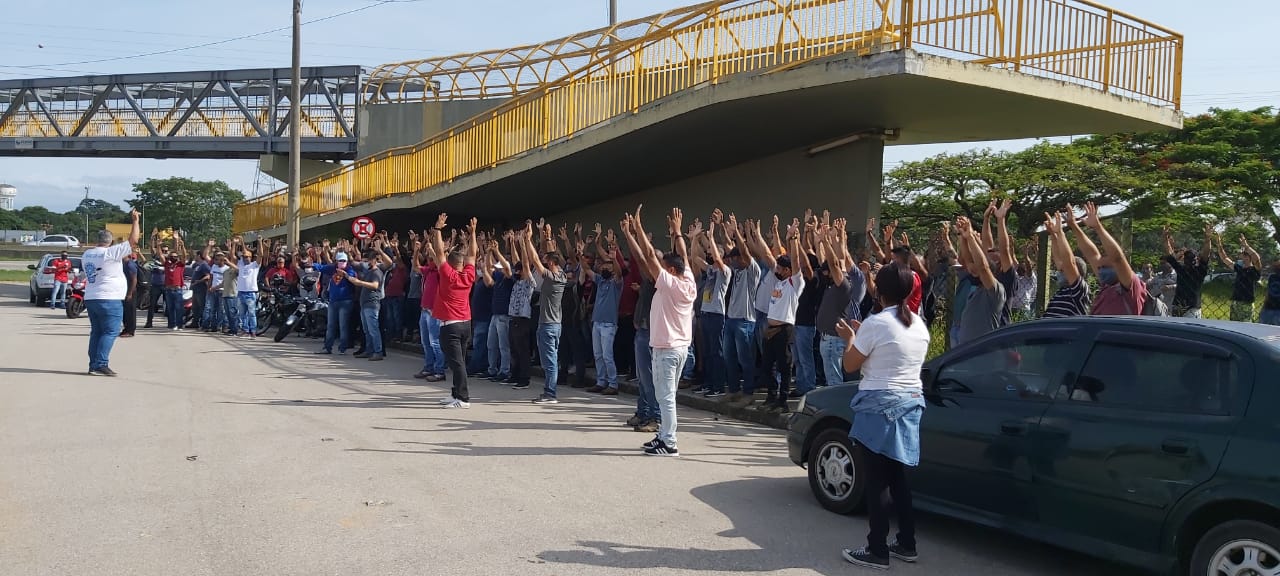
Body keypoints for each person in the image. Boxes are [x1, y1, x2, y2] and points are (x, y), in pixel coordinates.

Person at [834, 262, 930, 570]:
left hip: (879, 404)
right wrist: (862, 335)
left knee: (876, 482)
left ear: (879, 289)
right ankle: (906, 543)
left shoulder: (876, 323)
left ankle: (877, 549)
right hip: (910, 404)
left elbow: (850, 364)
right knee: (898, 477)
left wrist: (850, 338)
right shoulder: (919, 324)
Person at [623, 206, 695, 457]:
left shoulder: (671, 284)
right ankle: (663, 435)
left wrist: (639, 229)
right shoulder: (688, 280)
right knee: (667, 396)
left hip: (667, 349)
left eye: (665, 268)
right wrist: (677, 233)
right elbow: (683, 255)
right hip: (678, 348)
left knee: (665, 398)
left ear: (671, 271)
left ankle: (670, 443)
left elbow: (649, 258)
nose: (660, 271)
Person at [754, 217, 807, 411]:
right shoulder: (778, 282)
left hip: (784, 329)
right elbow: (768, 255)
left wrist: (793, 239)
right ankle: (771, 397)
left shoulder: (794, 283)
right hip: (770, 329)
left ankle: (782, 401)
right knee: (767, 365)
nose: (776, 269)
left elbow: (796, 262)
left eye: (780, 268)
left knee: (784, 367)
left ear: (787, 270)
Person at [427, 214, 478, 409]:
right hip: (465, 324)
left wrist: (438, 229)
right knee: (460, 361)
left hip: (451, 326)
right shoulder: (468, 275)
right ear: (462, 264)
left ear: (450, 263)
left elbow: (439, 252)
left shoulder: (447, 274)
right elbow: (472, 254)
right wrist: (473, 233)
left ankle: (463, 399)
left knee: (457, 364)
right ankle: (456, 393)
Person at [82, 209, 140, 376]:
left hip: (92, 296)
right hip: (109, 297)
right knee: (110, 331)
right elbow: (134, 240)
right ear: (111, 241)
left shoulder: (88, 253)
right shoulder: (110, 253)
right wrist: (135, 221)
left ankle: (93, 364)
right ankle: (100, 364)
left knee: (97, 332)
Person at [1067, 202, 1147, 315]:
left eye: (1105, 267)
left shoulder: (1131, 286)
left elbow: (1117, 258)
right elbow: (1091, 254)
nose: (1101, 270)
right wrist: (1073, 226)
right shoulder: (1107, 287)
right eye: (1100, 268)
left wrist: (1098, 227)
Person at [521, 222, 568, 405]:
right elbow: (551, 254)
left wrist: (528, 239)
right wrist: (547, 237)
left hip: (548, 325)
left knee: (550, 362)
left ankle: (550, 394)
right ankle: (549, 392)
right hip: (555, 325)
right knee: (551, 360)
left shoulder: (551, 277)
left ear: (550, 263)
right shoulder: (562, 275)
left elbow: (534, 259)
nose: (544, 261)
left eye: (546, 260)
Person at [952, 216, 1005, 346]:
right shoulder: (977, 289)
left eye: (975, 269)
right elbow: (967, 261)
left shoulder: (995, 291)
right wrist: (963, 236)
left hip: (983, 350)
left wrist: (970, 237)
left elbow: (982, 267)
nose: (971, 269)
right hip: (966, 348)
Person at [587, 239, 625, 395]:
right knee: (597, 354)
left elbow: (620, 272)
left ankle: (613, 384)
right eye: (604, 265)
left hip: (609, 324)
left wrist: (614, 258)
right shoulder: (600, 280)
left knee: (607, 355)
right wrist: (582, 253)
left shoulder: (617, 283)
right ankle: (601, 381)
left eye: (609, 266)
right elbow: (586, 269)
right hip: (597, 322)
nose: (605, 268)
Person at [1040, 212, 1091, 318]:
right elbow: (1058, 259)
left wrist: (1060, 233)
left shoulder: (1078, 290)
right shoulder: (1063, 290)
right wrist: (1053, 234)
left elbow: (1069, 263)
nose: (1059, 271)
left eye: (1063, 270)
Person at [1163, 224, 1210, 318]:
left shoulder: (1198, 270)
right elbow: (1206, 255)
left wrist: (1208, 240)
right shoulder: (1183, 269)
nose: (1190, 260)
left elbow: (1206, 254)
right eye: (1188, 258)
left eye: (1191, 258)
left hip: (1191, 308)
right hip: (1180, 306)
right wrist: (1165, 239)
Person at [348, 249, 386, 361]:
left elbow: (375, 285)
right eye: (365, 260)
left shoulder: (376, 272)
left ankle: (378, 352)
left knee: (373, 329)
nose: (366, 262)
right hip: (364, 304)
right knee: (367, 330)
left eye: (368, 260)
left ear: (374, 260)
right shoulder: (369, 272)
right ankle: (369, 351)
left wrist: (360, 282)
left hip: (372, 304)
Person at [315, 249, 356, 354]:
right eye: (340, 260)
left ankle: (343, 348)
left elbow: (353, 278)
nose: (342, 262)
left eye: (344, 260)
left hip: (346, 302)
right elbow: (321, 268)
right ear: (336, 261)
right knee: (330, 325)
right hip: (333, 302)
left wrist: (345, 274)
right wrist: (311, 264)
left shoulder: (350, 270)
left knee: (343, 325)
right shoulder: (332, 268)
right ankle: (327, 347)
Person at [1216, 232, 1263, 322]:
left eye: (1246, 256)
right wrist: (1219, 244)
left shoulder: (1254, 270)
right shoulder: (1239, 268)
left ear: (1250, 258)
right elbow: (1225, 258)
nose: (1243, 258)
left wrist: (1246, 246)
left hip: (1247, 303)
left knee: (1246, 326)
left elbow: (1257, 259)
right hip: (1235, 302)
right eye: (1243, 256)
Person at [235, 238, 266, 338]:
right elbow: (242, 252)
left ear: (251, 257)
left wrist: (259, 242)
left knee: (251, 313)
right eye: (244, 257)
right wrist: (241, 242)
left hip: (250, 293)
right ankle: (245, 331)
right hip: (241, 292)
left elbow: (260, 254)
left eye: (247, 257)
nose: (245, 258)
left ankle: (252, 332)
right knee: (242, 314)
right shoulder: (241, 265)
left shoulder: (255, 265)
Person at [159, 236, 187, 330]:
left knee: (179, 308)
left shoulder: (180, 265)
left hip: (177, 289)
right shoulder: (167, 264)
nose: (174, 257)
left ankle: (179, 325)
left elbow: (184, 256)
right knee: (170, 308)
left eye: (175, 256)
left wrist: (182, 246)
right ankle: (171, 324)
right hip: (168, 289)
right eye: (172, 256)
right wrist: (158, 246)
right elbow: (161, 256)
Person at [220, 252, 241, 336]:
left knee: (233, 313)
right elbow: (223, 283)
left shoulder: (236, 269)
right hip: (225, 294)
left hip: (233, 295)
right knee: (228, 314)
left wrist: (229, 262)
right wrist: (214, 287)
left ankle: (234, 330)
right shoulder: (225, 271)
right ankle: (231, 329)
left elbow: (239, 270)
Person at [120, 251, 139, 337]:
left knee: (130, 312)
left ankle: (130, 330)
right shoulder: (123, 264)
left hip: (130, 291)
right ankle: (126, 329)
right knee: (125, 312)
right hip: (123, 291)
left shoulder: (130, 264)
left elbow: (134, 279)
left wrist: (130, 293)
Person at [1261, 259, 1280, 326]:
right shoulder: (1272, 277)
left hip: (1278, 309)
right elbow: (1268, 292)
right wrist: (1264, 306)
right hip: (1268, 307)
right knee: (1263, 327)